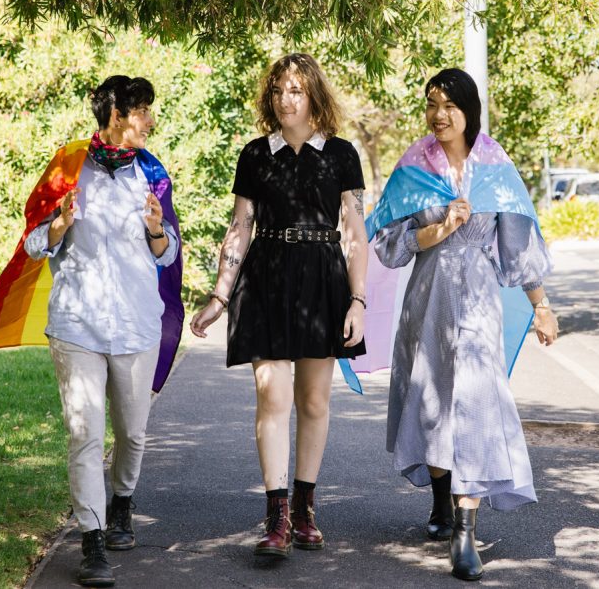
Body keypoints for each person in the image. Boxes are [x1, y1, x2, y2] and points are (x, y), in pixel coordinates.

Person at [370, 68, 557, 581]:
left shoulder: (495, 165)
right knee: (432, 405)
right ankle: (440, 499)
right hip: (426, 300)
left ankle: (464, 533)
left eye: (450, 104)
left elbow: (517, 246)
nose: (439, 114)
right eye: (432, 103)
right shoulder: (414, 166)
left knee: (474, 404)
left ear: (469, 110)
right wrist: (439, 227)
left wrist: (541, 306)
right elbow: (390, 244)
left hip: (477, 304)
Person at [189, 53, 368, 557]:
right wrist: (221, 293)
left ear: (313, 96)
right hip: (265, 278)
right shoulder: (254, 154)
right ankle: (277, 518)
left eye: (295, 91)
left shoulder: (340, 154)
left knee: (314, 401)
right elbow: (240, 226)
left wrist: (358, 301)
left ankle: (306, 507)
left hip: (323, 280)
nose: (285, 100)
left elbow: (354, 231)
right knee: (273, 397)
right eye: (278, 91)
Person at [19, 76, 180, 587]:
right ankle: (91, 542)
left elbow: (170, 251)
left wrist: (157, 230)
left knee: (133, 432)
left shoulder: (151, 173)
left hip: (136, 324)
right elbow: (32, 244)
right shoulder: (68, 167)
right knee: (85, 435)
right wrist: (60, 227)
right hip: (76, 325)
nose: (151, 120)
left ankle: (122, 506)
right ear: (117, 114)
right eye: (144, 111)